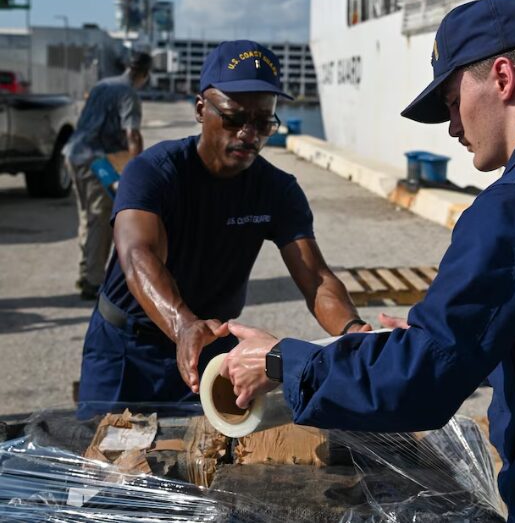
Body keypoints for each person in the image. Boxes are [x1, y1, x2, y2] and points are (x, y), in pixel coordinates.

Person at [220, 0, 515, 522]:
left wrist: (280, 360)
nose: (452, 126)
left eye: (452, 101)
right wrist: (438, 339)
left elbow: (423, 381)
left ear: (501, 77)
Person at [76, 40, 370, 417]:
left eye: (264, 122)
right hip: (127, 348)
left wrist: (351, 330)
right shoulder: (152, 172)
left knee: (203, 462)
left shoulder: (278, 190)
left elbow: (316, 278)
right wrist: (182, 325)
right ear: (201, 109)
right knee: (104, 458)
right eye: (234, 118)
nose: (249, 134)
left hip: (210, 349)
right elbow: (138, 255)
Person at [64, 52, 151, 300]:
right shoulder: (129, 93)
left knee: (87, 215)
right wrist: (137, 173)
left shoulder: (103, 84)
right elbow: (132, 134)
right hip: (97, 159)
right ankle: (93, 281)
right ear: (143, 74)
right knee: (100, 218)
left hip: (73, 153)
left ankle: (86, 272)